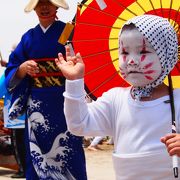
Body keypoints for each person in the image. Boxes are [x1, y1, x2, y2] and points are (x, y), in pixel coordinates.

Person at [55, 14, 180, 179]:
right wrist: (74, 82)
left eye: (143, 50)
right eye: (125, 52)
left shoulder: (177, 101)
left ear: (167, 55)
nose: (131, 61)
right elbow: (78, 124)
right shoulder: (115, 99)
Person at [5, 0, 87, 179]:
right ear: (34, 9)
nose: (44, 8)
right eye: (39, 4)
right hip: (37, 105)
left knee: (69, 148)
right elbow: (12, 68)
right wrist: (22, 68)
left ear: (56, 7)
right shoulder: (28, 37)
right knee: (35, 150)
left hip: (65, 102)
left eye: (48, 3)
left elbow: (84, 58)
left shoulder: (68, 32)